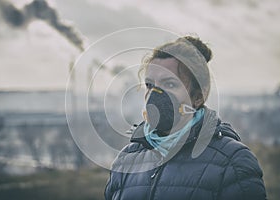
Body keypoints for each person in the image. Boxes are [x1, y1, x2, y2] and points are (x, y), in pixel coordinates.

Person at [104, 36, 267, 200]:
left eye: (170, 84)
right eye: (150, 85)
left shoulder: (232, 162)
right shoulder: (127, 160)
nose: (155, 95)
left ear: (198, 97)